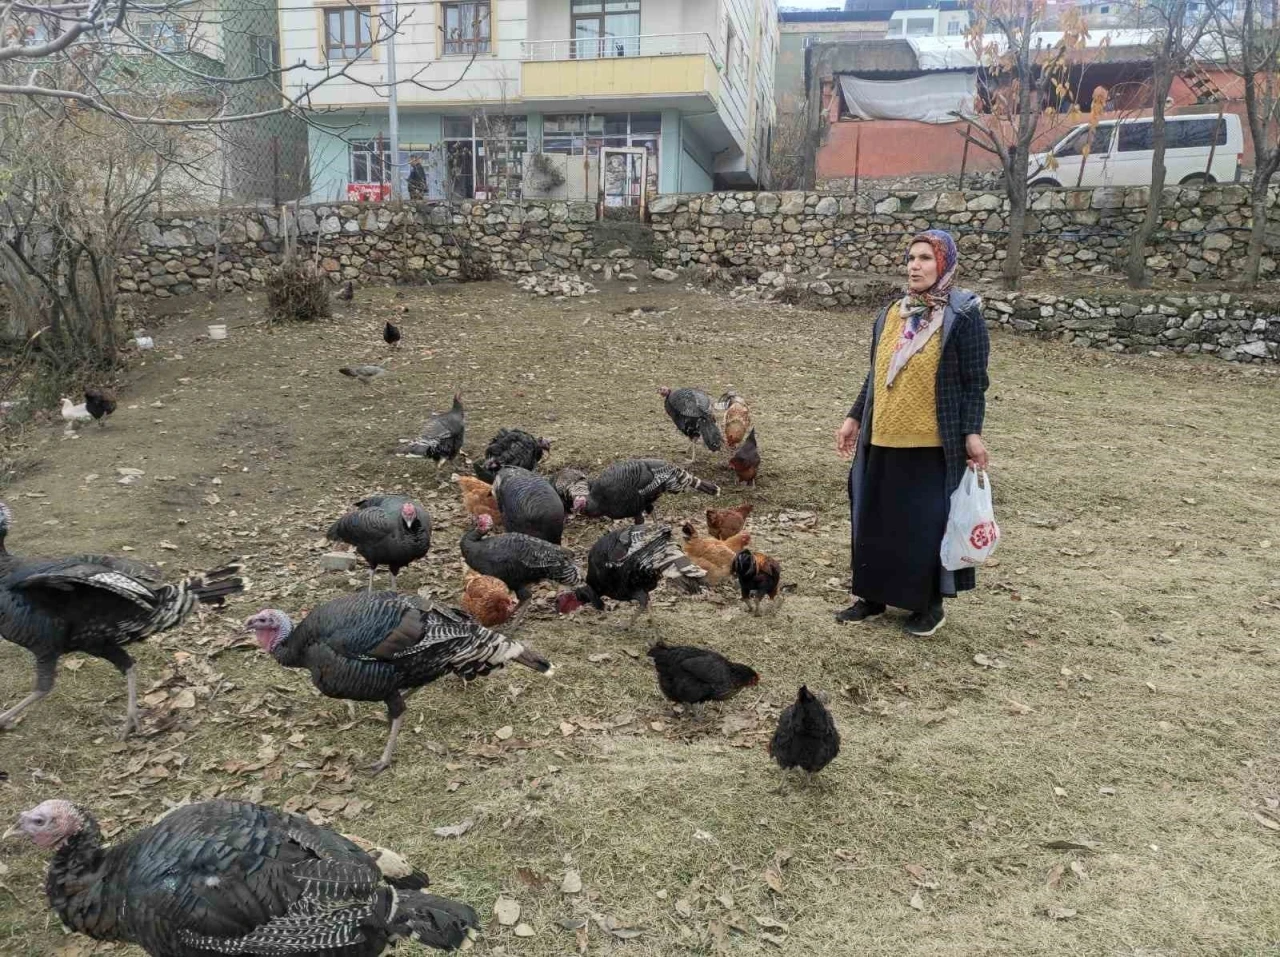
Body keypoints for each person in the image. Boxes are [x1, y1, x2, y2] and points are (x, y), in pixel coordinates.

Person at [834, 230, 990, 637]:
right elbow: (876, 372)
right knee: (874, 521)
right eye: (910, 258)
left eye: (924, 258)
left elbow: (975, 381)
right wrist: (854, 417)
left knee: (922, 526)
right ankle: (870, 597)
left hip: (931, 442)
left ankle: (927, 606)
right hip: (882, 435)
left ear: (944, 264)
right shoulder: (891, 313)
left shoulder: (964, 314)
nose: (914, 265)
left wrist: (972, 432)